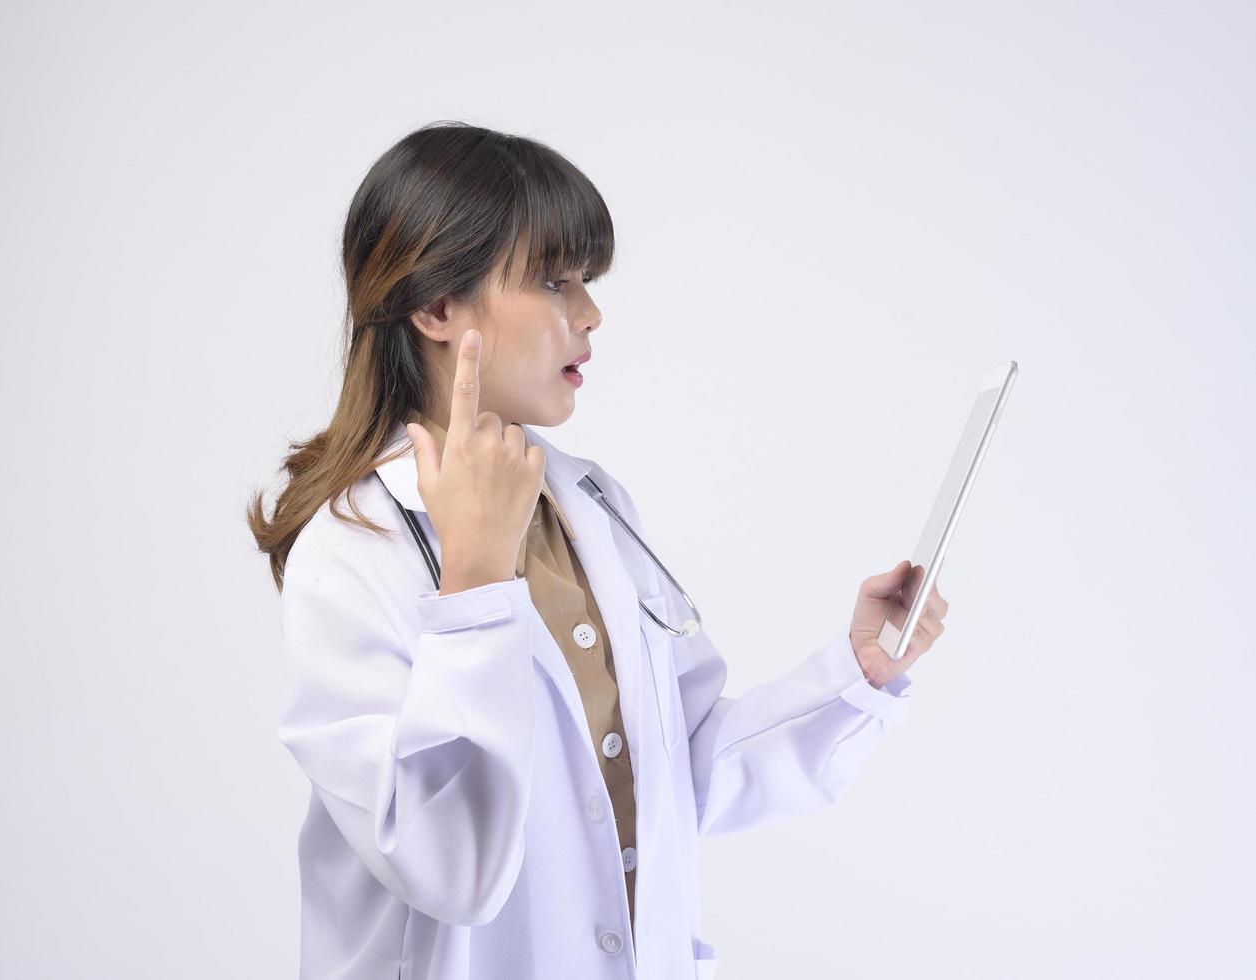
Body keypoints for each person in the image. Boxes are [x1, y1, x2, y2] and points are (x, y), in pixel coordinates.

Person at [247, 121, 949, 980]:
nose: (590, 313)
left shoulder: (590, 504)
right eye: (553, 281)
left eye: (586, 280)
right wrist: (473, 588)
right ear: (435, 307)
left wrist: (857, 673)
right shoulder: (356, 547)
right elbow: (449, 869)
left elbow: (676, 775)